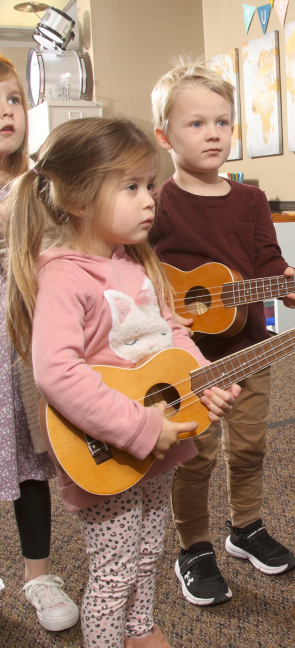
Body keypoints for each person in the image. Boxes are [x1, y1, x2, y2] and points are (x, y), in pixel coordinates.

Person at [3, 116, 240, 647]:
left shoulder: (134, 262)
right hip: (109, 448)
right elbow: (56, 372)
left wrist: (203, 378)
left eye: (150, 185)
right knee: (112, 573)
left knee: (148, 553)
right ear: (80, 199)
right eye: (131, 187)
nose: (149, 199)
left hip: (154, 445)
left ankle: (140, 632)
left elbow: (170, 333)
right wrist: (136, 428)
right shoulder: (65, 276)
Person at [149, 61, 295, 607]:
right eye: (196, 124)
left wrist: (289, 284)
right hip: (189, 360)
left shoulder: (250, 201)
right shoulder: (158, 204)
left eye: (223, 121)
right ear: (164, 135)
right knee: (195, 456)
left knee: (250, 444)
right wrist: (166, 308)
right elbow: (141, 274)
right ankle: (192, 546)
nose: (213, 133)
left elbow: (267, 260)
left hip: (251, 346)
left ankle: (247, 526)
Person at [0, 53, 79, 632]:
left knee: (30, 459)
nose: (5, 112)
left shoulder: (41, 184)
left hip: (23, 335)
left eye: (13, 100)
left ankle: (38, 574)